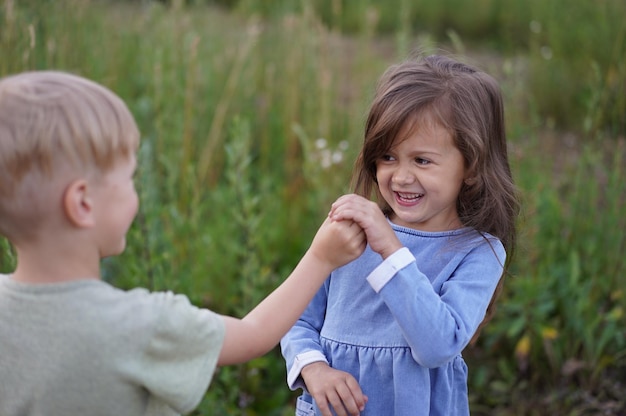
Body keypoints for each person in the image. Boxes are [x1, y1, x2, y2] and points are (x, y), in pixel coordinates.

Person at [0, 70, 367, 416]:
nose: (135, 191)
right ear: (83, 203)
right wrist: (321, 258)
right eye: (129, 178)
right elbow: (254, 335)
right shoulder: (140, 325)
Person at [280, 54, 520, 416]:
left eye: (422, 160)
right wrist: (314, 368)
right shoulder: (349, 233)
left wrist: (391, 250)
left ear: (471, 166)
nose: (401, 176)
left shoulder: (478, 252)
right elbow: (296, 315)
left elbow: (436, 345)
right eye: (388, 157)